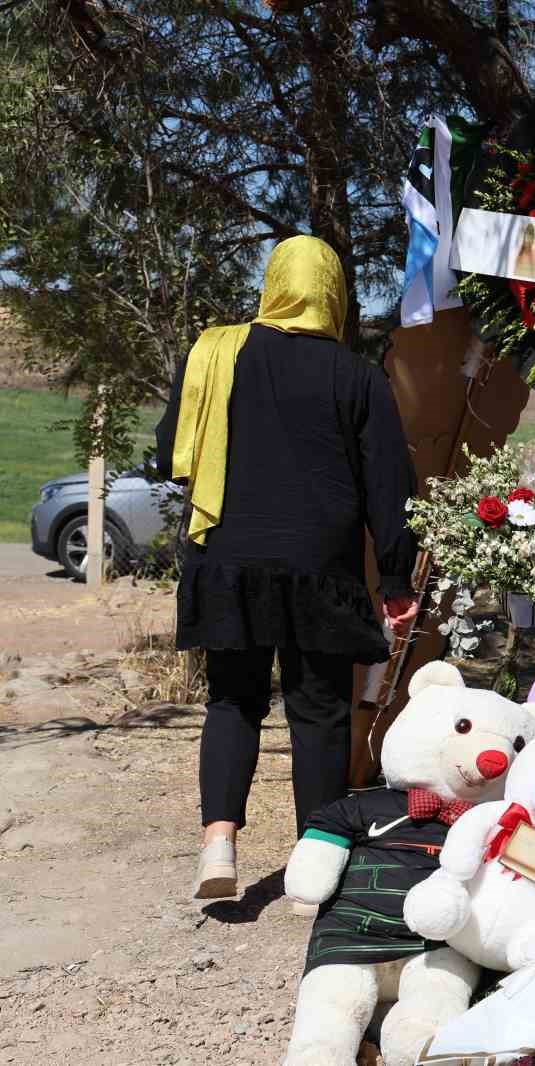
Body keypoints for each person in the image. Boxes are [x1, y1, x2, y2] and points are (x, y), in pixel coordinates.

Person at [154, 235, 420, 901]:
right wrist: (394, 579)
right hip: (320, 567)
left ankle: (218, 842)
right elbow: (390, 484)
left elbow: (170, 451)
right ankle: (317, 870)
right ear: (334, 294)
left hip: (229, 559)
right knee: (321, 711)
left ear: (271, 285)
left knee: (233, 699)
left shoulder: (216, 352)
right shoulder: (357, 375)